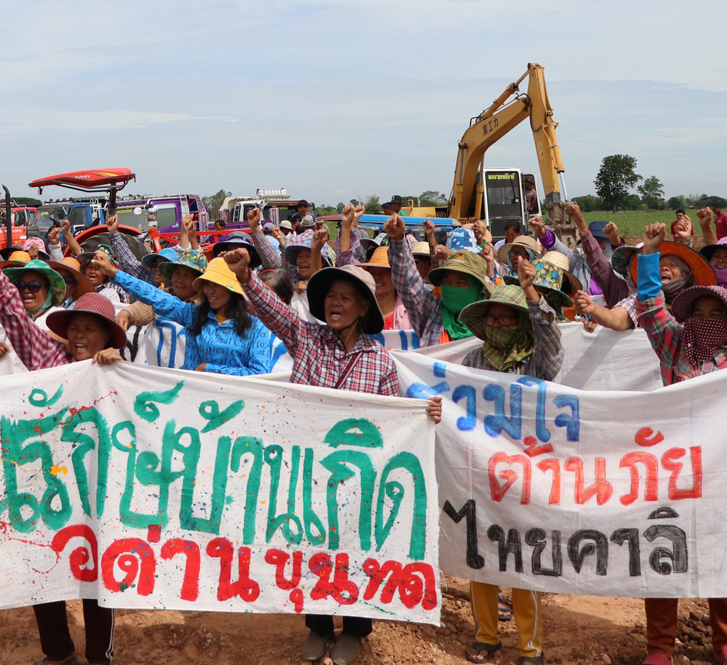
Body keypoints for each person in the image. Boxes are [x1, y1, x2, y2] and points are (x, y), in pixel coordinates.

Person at [224, 246, 441, 664]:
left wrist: (423, 412)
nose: (334, 303)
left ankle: (355, 629)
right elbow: (274, 312)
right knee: (309, 547)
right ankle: (319, 626)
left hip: (356, 478)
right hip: (305, 473)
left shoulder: (379, 360)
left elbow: (393, 420)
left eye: (345, 297)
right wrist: (245, 276)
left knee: (355, 550)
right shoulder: (306, 337)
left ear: (363, 307)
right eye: (329, 296)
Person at [0, 236, 125, 665]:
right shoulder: (47, 357)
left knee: (96, 572)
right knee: (42, 564)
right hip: (45, 483)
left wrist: (119, 367)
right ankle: (57, 652)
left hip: (97, 487)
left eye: (87, 329)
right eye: (72, 327)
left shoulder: (120, 372)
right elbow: (17, 321)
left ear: (105, 336)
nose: (77, 335)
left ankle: (100, 656)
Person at [457, 261, 560, 665]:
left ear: (521, 323)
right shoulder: (470, 363)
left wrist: (533, 293)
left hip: (524, 477)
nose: (499, 322)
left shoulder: (538, 363)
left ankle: (529, 646)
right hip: (479, 475)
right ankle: (486, 635)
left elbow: (551, 339)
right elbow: (451, 404)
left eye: (507, 317)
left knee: (523, 560)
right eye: (493, 316)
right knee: (478, 556)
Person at [634, 222, 727, 665]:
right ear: (687, 319)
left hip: (722, 473)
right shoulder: (675, 346)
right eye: (699, 314)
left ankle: (724, 640)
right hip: (674, 469)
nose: (706, 322)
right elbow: (651, 309)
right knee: (663, 549)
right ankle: (660, 646)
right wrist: (650, 255)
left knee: (721, 552)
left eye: (715, 315)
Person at [98, 253, 273, 375]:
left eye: (216, 285)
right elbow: (153, 295)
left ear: (232, 290)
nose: (210, 290)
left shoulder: (256, 327)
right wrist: (114, 272)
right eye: (207, 284)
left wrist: (209, 369)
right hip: (193, 402)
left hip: (236, 408)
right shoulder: (193, 315)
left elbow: (260, 373)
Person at [387, 215, 492, 346]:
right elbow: (408, 283)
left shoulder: (493, 322)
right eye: (446, 282)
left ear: (478, 288)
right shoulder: (432, 311)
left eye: (460, 282)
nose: (452, 288)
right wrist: (397, 241)